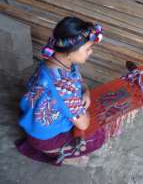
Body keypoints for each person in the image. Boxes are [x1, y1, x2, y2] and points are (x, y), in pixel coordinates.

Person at [15, 16, 105, 166]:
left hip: (34, 121)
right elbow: (83, 124)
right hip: (45, 138)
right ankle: (61, 155)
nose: (91, 52)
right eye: (87, 49)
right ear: (70, 52)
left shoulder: (54, 62)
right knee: (99, 135)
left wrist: (86, 92)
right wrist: (86, 110)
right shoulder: (62, 87)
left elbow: (79, 78)